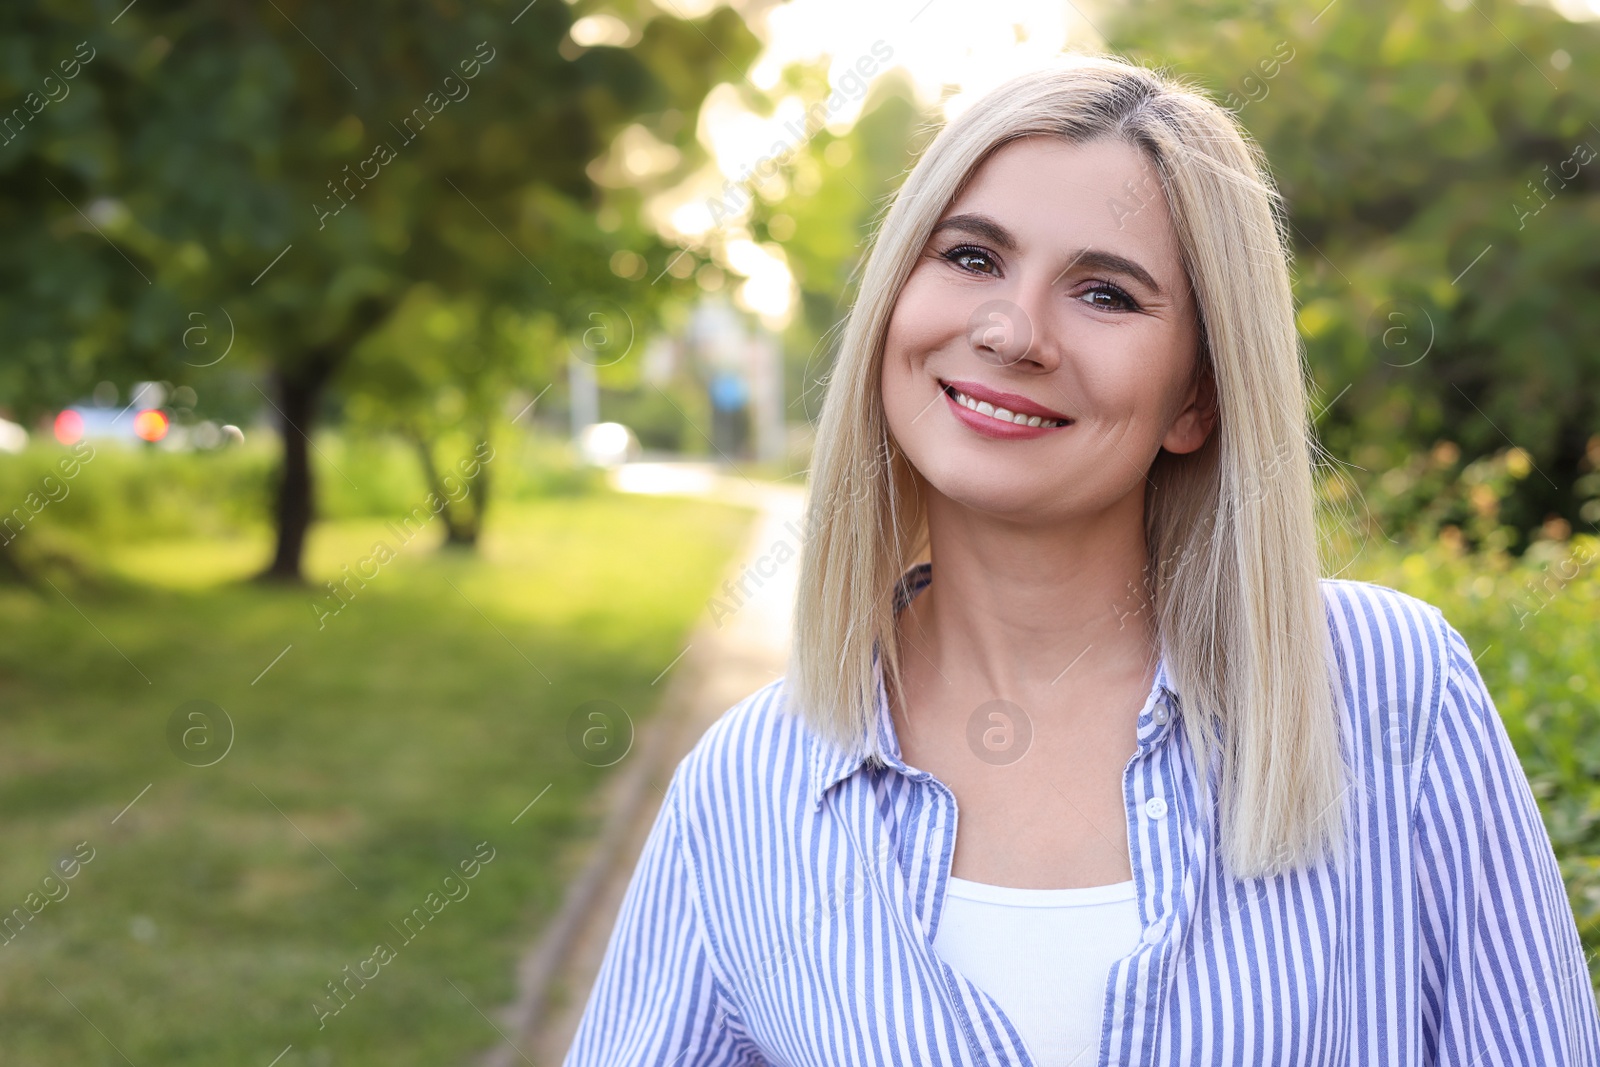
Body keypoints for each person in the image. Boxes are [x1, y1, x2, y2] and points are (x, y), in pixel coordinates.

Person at [564, 54, 1600, 1065]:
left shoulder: (1388, 692)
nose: (1013, 331)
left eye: (1104, 293)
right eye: (970, 256)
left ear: (1197, 398)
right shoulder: (745, 789)